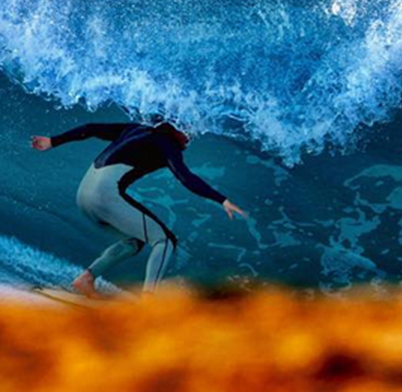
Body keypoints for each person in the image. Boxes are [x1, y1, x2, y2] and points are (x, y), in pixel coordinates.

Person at [31, 121, 246, 297]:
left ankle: (86, 279)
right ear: (175, 128)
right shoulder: (166, 143)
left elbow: (92, 128)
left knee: (133, 242)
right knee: (165, 241)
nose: (190, 138)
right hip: (104, 197)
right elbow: (185, 177)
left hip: (83, 196)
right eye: (188, 131)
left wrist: (53, 141)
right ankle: (148, 302)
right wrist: (222, 200)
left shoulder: (135, 128)